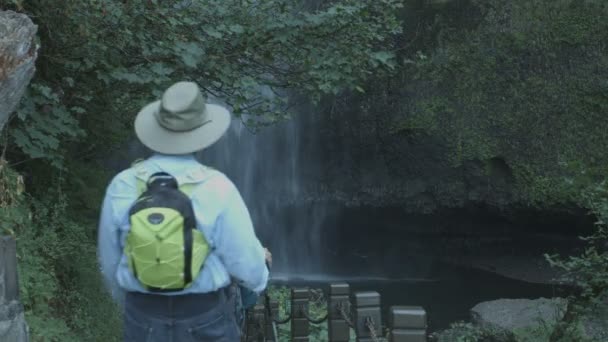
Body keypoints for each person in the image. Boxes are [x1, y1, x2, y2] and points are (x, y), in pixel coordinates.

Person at [97, 81, 271, 342]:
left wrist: (131, 301)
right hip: (205, 314)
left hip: (143, 314)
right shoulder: (216, 187)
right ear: (202, 137)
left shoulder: (123, 184)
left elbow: (110, 261)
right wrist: (259, 281)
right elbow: (245, 262)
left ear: (157, 130)